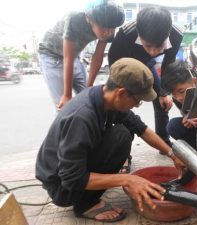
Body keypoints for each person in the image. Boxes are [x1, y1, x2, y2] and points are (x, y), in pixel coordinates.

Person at [35, 58, 185, 223]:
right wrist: (127, 179)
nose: (137, 105)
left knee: (122, 134)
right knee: (120, 135)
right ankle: (86, 204)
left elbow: (142, 129)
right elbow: (72, 178)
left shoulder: (106, 98)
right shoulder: (82, 117)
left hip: (69, 173)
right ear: (121, 93)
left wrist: (172, 154)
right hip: (61, 186)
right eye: (137, 100)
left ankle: (89, 194)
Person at [108, 6, 183, 148]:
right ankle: (121, 146)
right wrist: (123, 88)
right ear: (138, 33)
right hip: (126, 63)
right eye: (148, 45)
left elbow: (168, 64)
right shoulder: (126, 32)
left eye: (159, 46)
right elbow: (114, 61)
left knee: (161, 100)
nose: (154, 52)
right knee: (118, 102)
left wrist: (164, 92)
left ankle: (163, 142)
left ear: (167, 35)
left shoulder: (176, 34)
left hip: (148, 64)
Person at [38, 1, 124, 110]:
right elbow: (67, 58)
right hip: (51, 54)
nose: (108, 33)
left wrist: (89, 86)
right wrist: (67, 95)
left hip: (73, 56)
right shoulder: (75, 19)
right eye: (103, 27)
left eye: (112, 28)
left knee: (88, 98)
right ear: (89, 19)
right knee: (65, 108)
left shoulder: (110, 26)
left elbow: (98, 57)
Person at [161, 60, 197, 149]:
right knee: (173, 126)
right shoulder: (178, 99)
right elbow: (187, 114)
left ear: (195, 81)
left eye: (181, 91)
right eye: (173, 94)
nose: (179, 98)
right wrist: (188, 117)